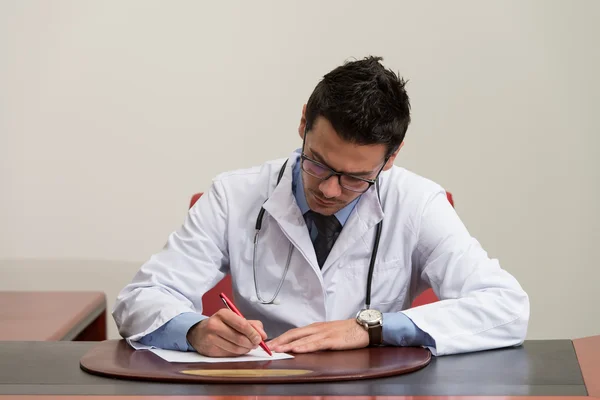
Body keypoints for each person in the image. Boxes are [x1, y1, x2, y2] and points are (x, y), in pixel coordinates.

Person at [113, 56, 529, 357]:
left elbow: (506, 308)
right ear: (303, 123)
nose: (330, 190)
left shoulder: (417, 203)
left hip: (375, 389)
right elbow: (140, 298)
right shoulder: (232, 196)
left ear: (392, 156)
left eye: (356, 178)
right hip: (264, 387)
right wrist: (195, 331)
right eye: (318, 163)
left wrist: (372, 329)